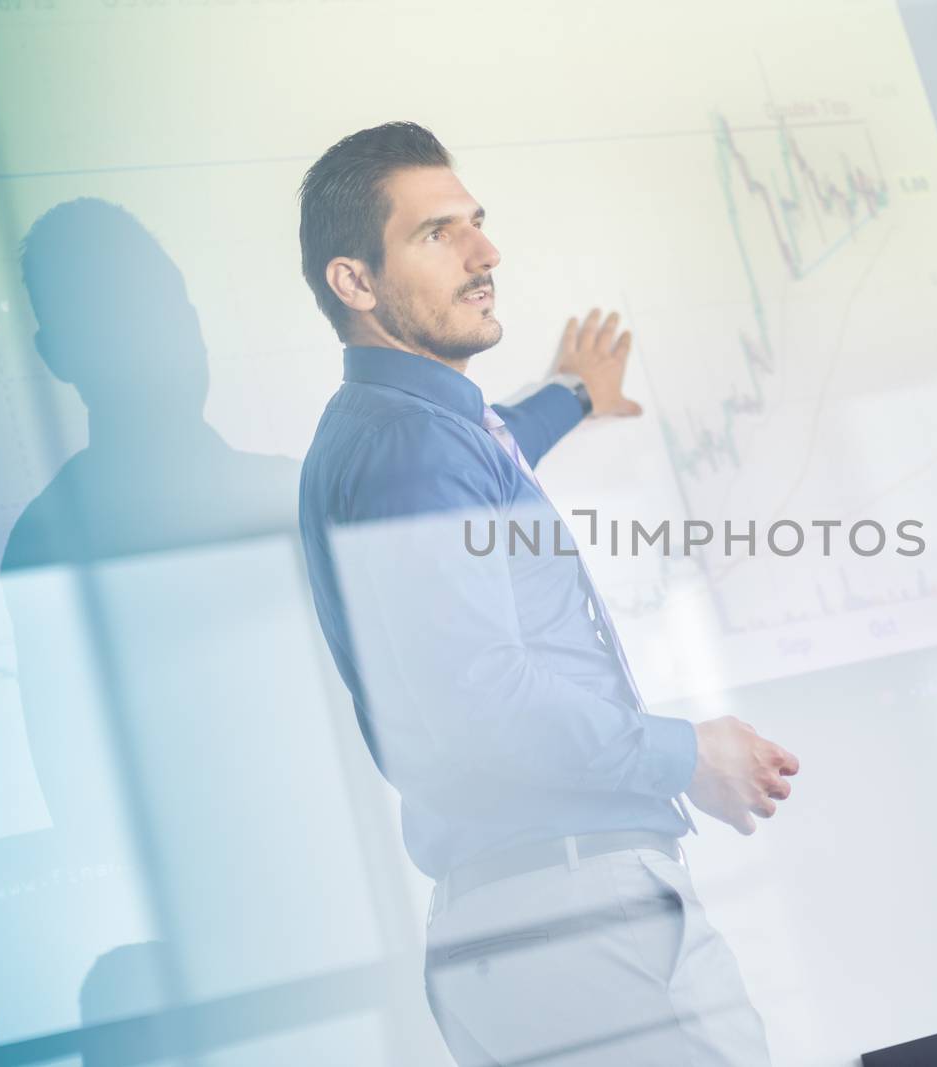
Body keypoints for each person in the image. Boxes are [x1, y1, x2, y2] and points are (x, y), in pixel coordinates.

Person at [295, 122, 800, 1065]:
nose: (486, 252)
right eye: (436, 234)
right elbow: (485, 706)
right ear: (355, 282)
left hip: (530, 929)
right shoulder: (414, 451)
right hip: (578, 924)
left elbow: (491, 456)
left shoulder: (406, 433)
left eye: (476, 223)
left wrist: (572, 393)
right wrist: (691, 755)